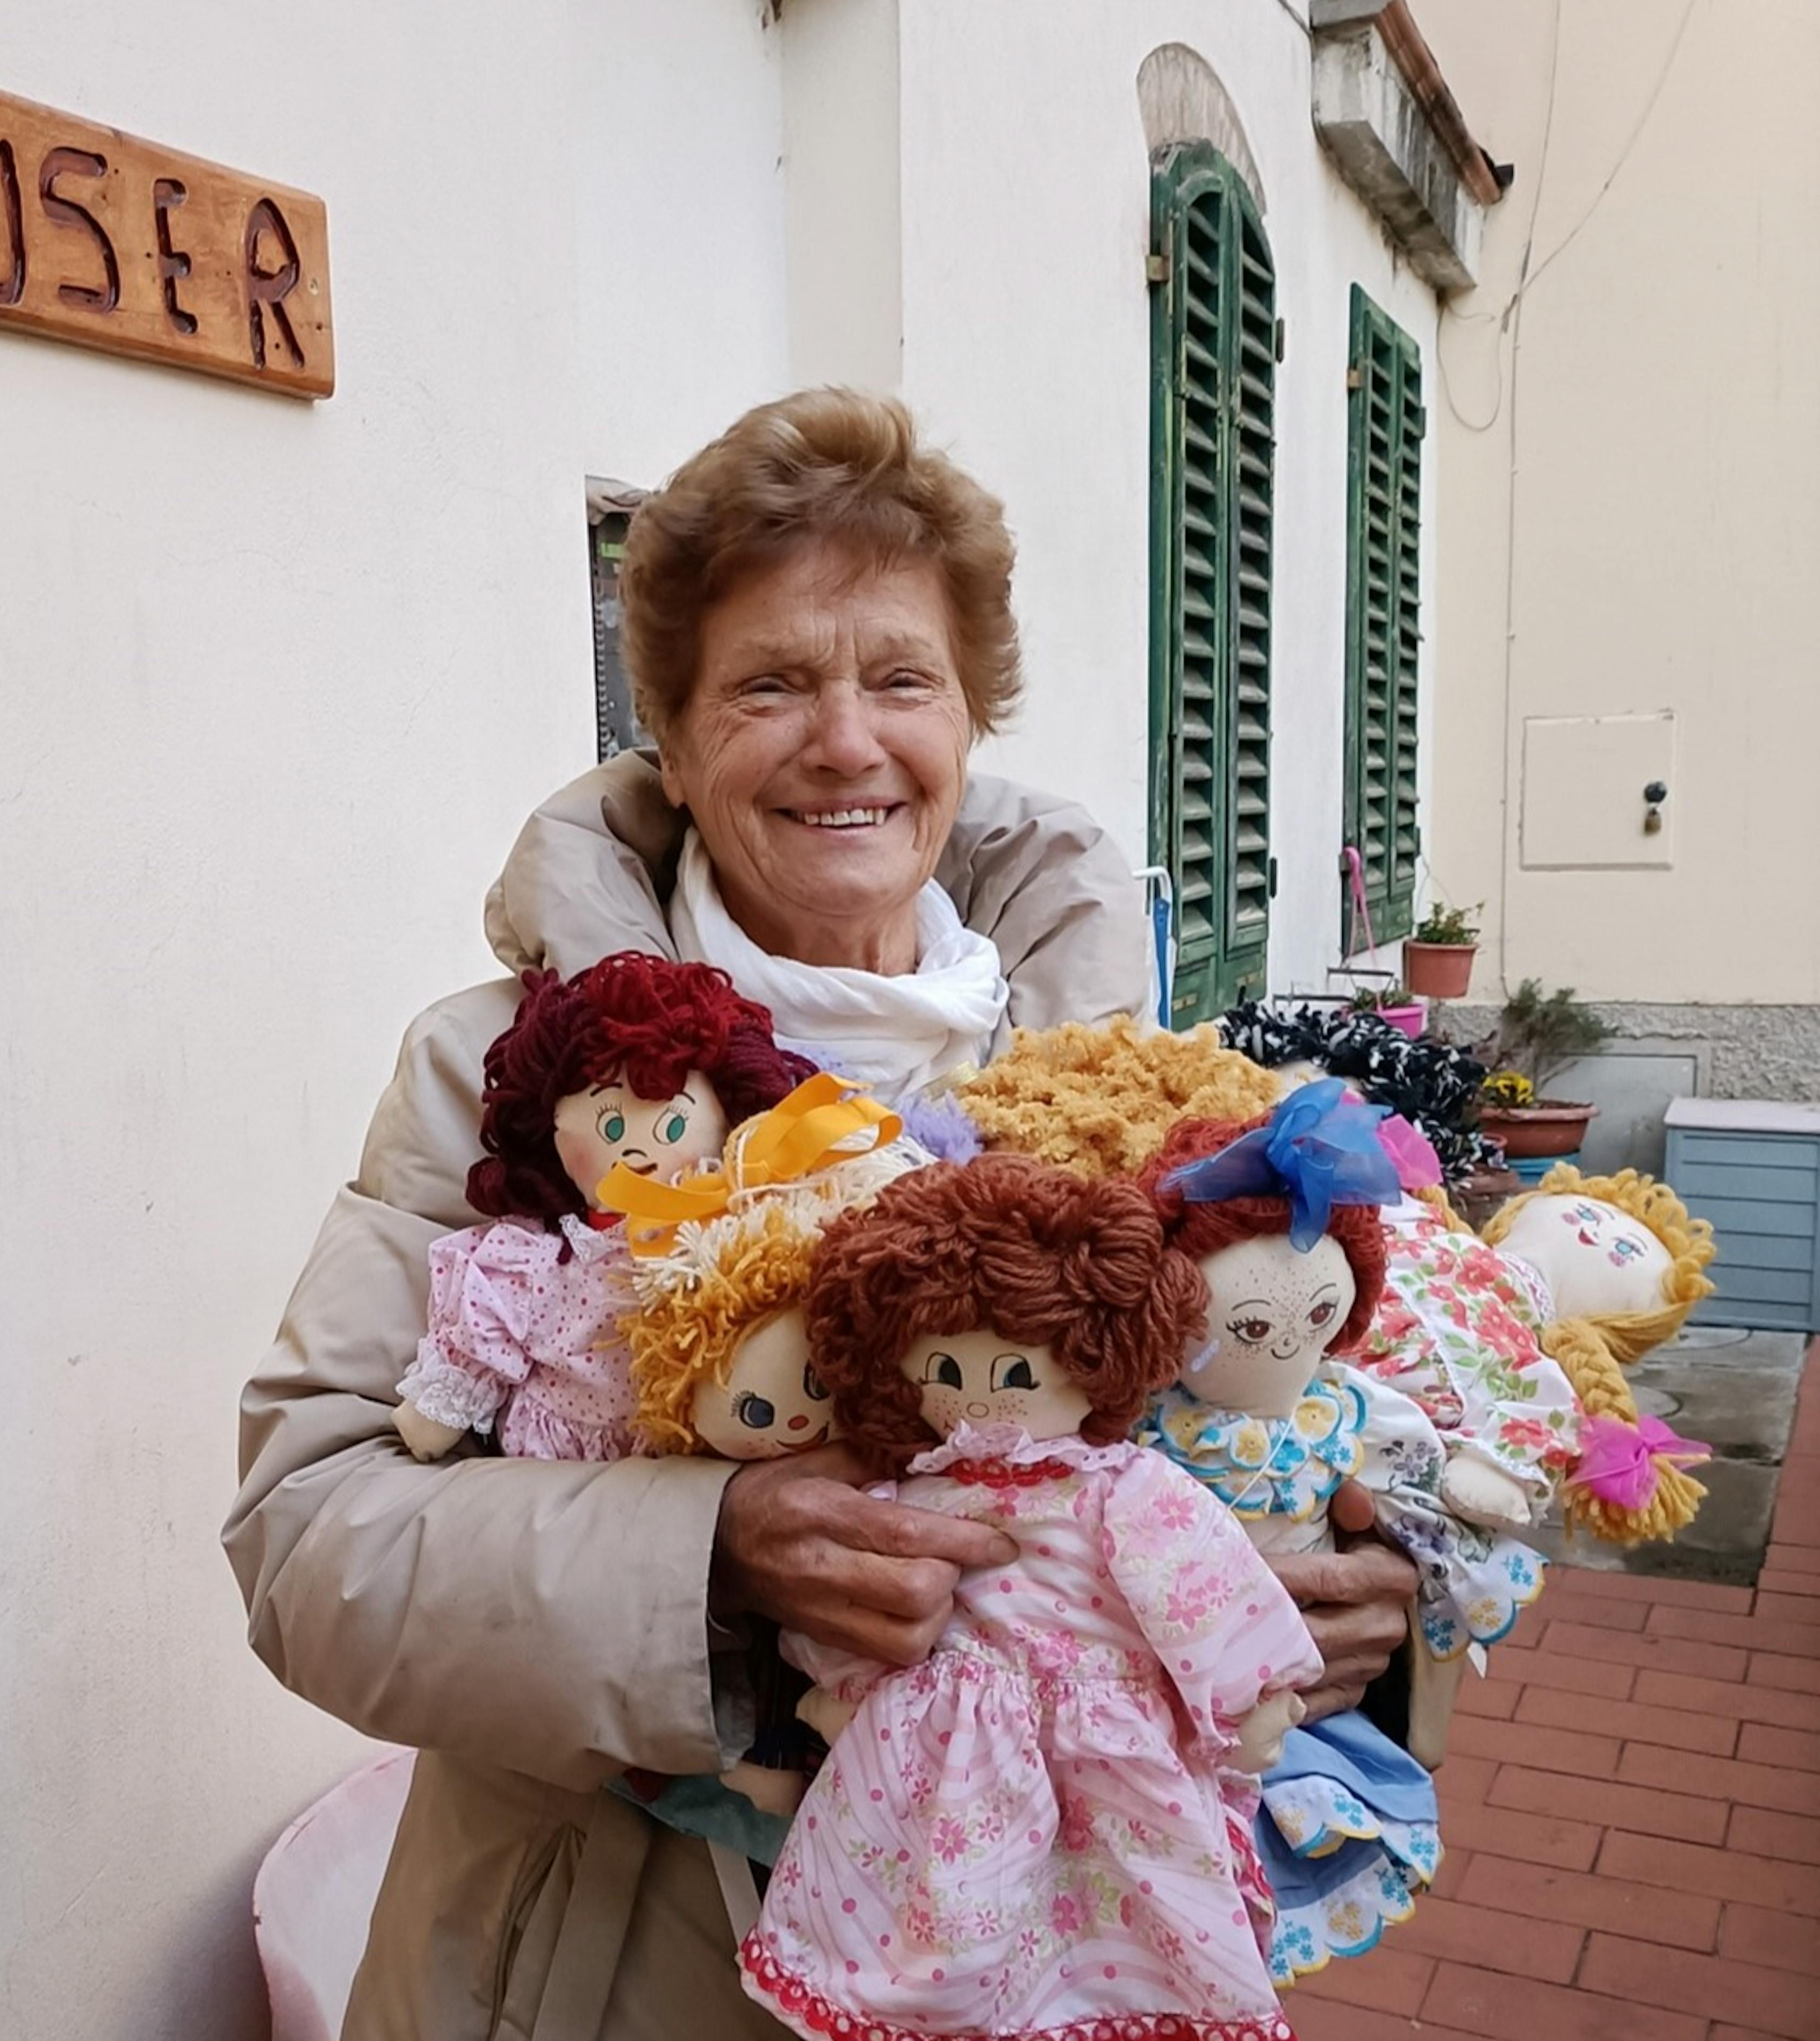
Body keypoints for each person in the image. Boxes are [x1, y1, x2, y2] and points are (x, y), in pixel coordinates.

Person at [224, 389, 1419, 2041]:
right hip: (609, 1969)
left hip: (1053, 1975)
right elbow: (309, 1537)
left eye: (900, 679)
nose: (847, 742)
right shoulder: (507, 1076)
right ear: (675, 730)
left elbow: (1299, 1407)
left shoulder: (1137, 1086)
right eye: (772, 683)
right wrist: (711, 1556)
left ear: (968, 718)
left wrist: (1351, 1577)